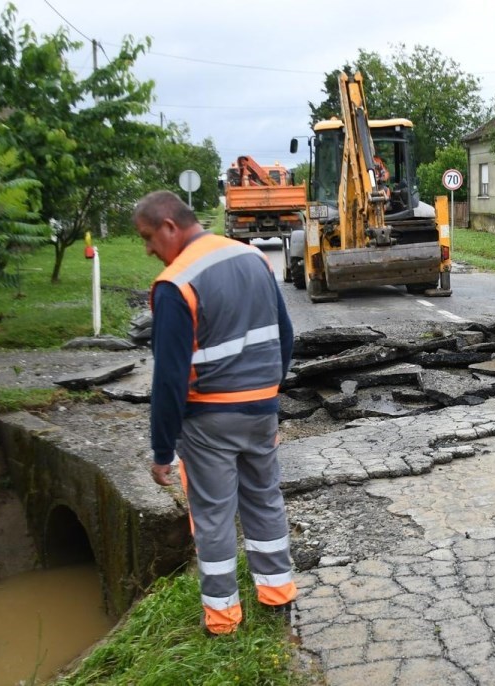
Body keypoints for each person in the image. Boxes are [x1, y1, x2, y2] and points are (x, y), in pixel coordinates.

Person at [133, 190, 297, 635]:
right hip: (262, 409)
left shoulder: (176, 282)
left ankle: (223, 619)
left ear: (170, 226)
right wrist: (268, 392)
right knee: (264, 498)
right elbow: (285, 336)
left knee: (213, 514)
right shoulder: (252, 258)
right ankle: (277, 595)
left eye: (148, 237)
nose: (149, 249)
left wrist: (162, 449)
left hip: (209, 419)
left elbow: (168, 378)